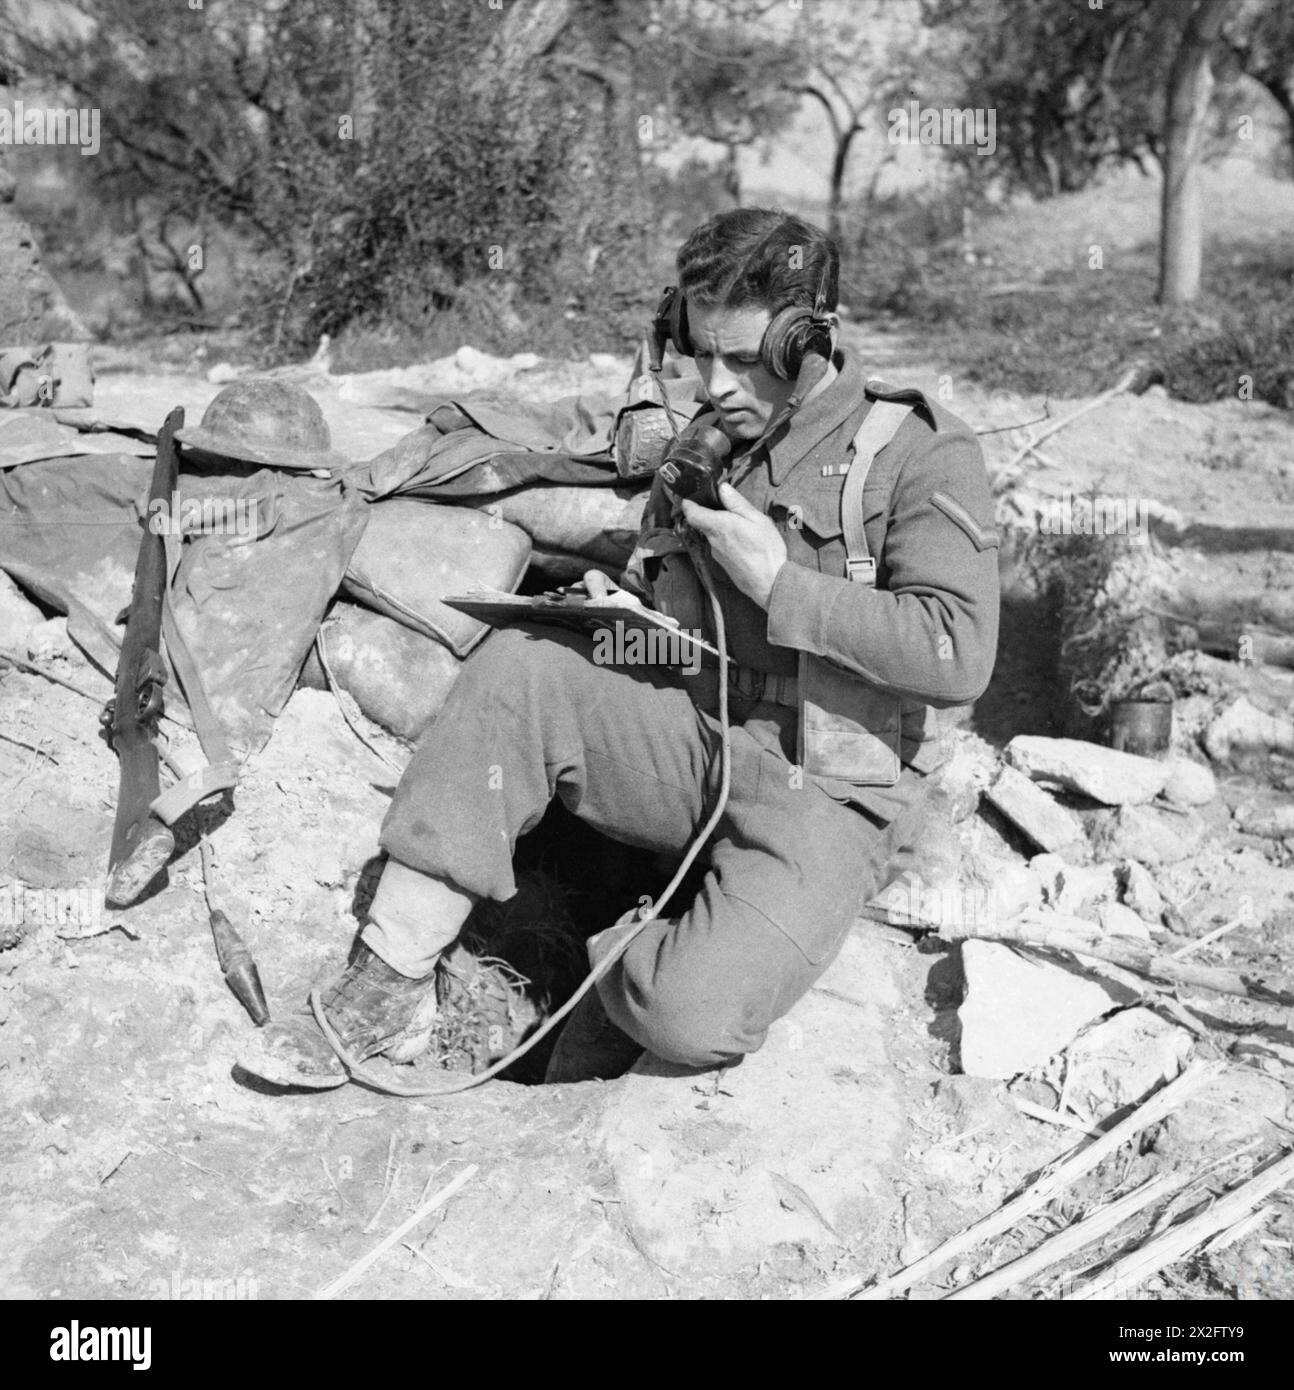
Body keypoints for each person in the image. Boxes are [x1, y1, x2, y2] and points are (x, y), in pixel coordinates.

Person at [237, 208, 1001, 1090]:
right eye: (700, 353)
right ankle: (389, 981)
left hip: (830, 778)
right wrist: (630, 604)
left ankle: (606, 953)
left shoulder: (917, 451)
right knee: (523, 667)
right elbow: (668, 577)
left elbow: (959, 653)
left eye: (744, 359)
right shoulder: (713, 439)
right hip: (693, 737)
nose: (715, 384)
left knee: (689, 1016)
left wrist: (782, 585)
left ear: (807, 338)